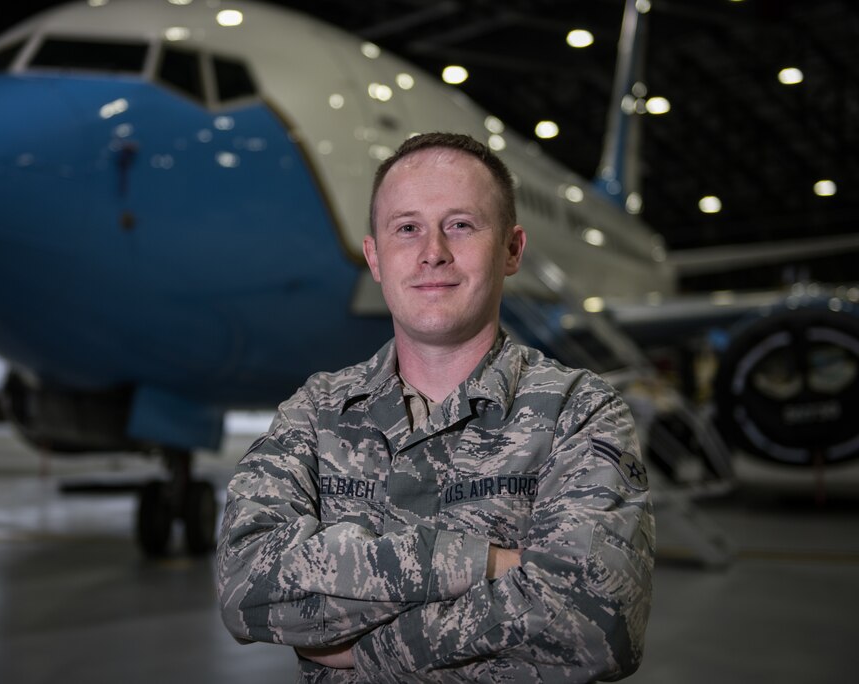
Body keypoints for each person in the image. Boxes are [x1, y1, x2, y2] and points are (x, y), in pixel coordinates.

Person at [216, 132, 654, 682]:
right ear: (374, 257)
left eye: (461, 225)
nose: (433, 252)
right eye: (407, 228)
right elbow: (244, 587)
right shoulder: (315, 412)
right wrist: (489, 563)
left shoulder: (580, 410)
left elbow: (599, 621)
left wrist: (364, 651)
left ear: (512, 249)